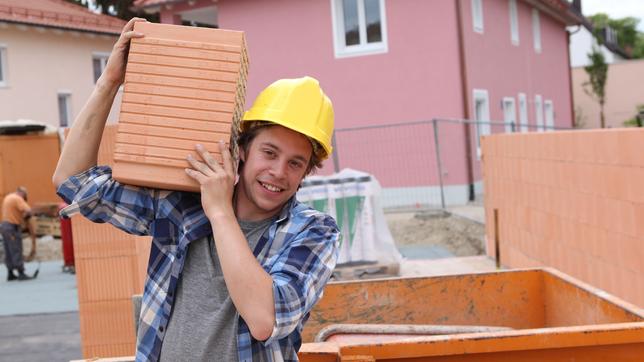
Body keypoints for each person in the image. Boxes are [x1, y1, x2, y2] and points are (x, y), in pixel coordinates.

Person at [52, 18, 339, 362]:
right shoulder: (183, 204)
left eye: (295, 163)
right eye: (270, 153)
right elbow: (72, 182)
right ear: (243, 149)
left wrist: (219, 212)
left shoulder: (313, 233)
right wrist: (109, 82)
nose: (278, 172)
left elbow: (264, 319)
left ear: (307, 171)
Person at [1, 186, 36, 281]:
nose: (24, 199)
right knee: (16, 249)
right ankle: (21, 273)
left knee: (8, 250)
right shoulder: (18, 198)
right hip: (12, 227)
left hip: (4, 226)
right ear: (22, 193)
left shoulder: (8, 197)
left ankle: (10, 273)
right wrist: (27, 217)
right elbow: (29, 211)